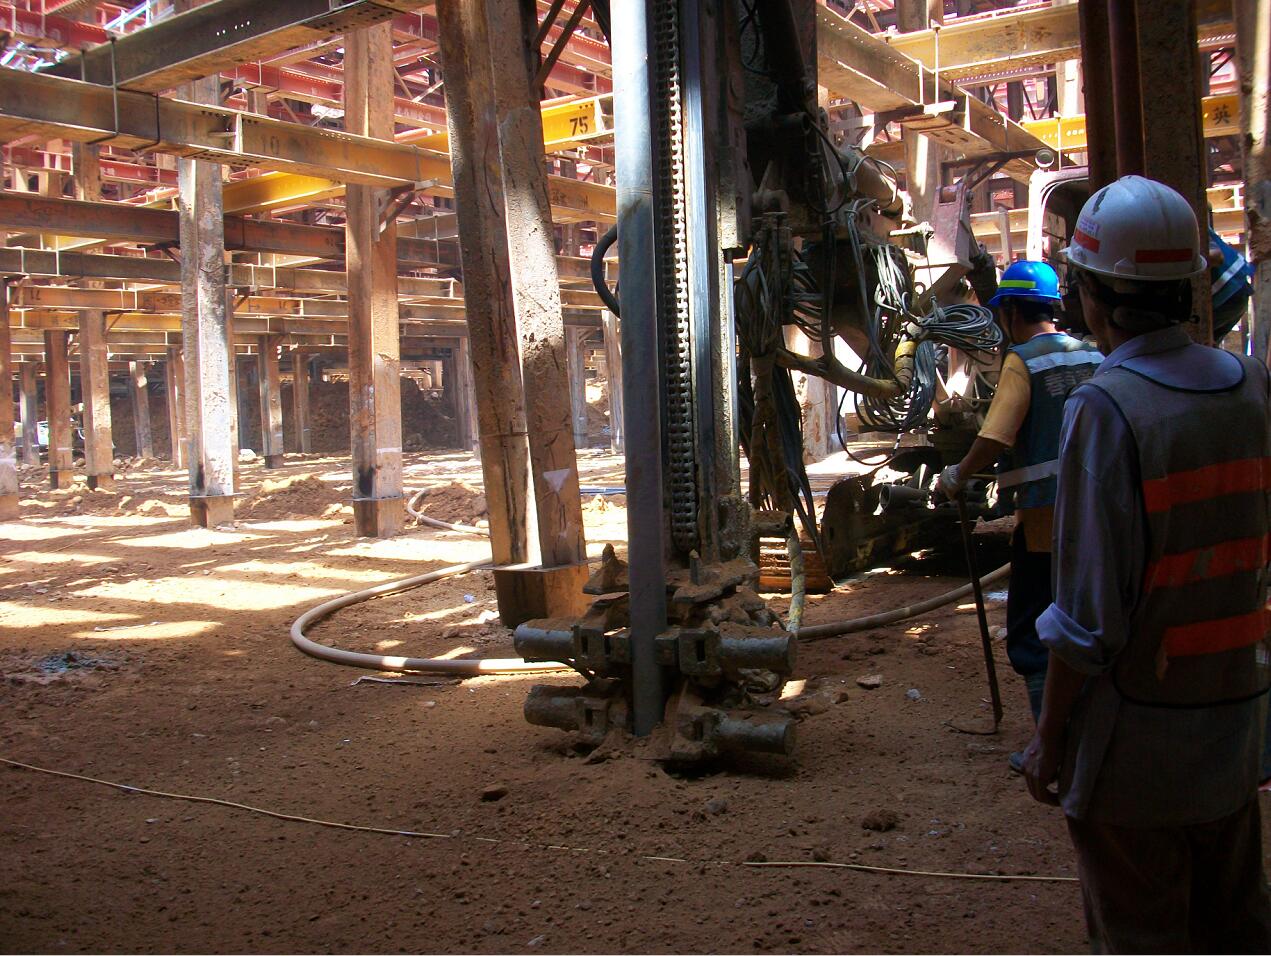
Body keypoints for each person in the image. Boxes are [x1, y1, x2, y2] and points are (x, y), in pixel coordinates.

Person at [1021, 174, 1271, 951]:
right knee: (1233, 928)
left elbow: (1087, 619)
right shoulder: (1252, 388)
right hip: (1233, 729)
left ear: (1091, 293)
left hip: (1136, 749)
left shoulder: (1107, 408)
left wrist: (1050, 737)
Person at [936, 259, 1102, 763]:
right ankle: (1091, 731)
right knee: (1087, 620)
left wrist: (958, 473)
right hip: (1097, 516)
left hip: (1046, 523)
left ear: (1009, 311)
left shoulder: (1022, 361)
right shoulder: (1092, 353)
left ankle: (1051, 746)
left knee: (1032, 632)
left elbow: (996, 435)